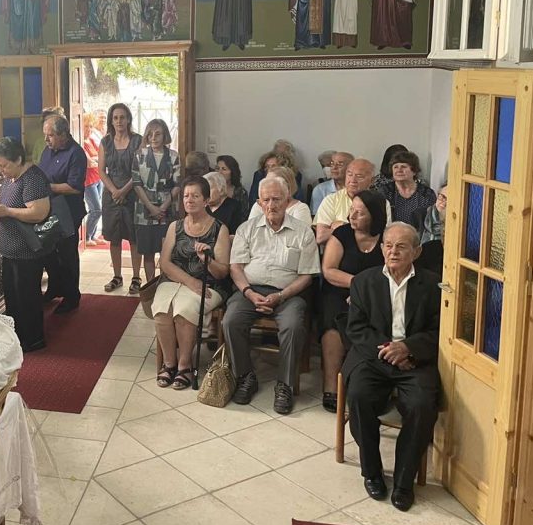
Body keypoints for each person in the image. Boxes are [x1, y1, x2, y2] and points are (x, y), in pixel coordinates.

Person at [345, 222, 441, 511]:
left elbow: (439, 331)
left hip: (414, 360)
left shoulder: (433, 285)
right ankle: (372, 472)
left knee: (422, 405)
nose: (393, 251)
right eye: (388, 245)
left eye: (401, 246)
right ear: (381, 248)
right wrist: (390, 350)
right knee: (359, 396)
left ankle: (403, 482)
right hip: (374, 356)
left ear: (417, 251)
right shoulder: (363, 282)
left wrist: (408, 349)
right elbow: (357, 329)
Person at [224, 175, 320, 414]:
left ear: (288, 200)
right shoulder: (246, 229)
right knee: (231, 321)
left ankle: (285, 384)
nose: (271, 205)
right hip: (250, 291)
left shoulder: (303, 232)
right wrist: (248, 293)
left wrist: (281, 296)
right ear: (259, 202)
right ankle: (245, 376)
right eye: (266, 200)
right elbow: (235, 268)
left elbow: (306, 276)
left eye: (276, 199)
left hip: (288, 294)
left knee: (293, 325)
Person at [154, 176, 231, 390]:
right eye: (186, 196)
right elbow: (165, 263)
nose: (189, 200)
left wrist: (207, 260)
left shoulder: (219, 229)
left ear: (206, 200)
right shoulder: (175, 226)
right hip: (176, 280)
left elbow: (223, 272)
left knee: (184, 310)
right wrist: (189, 281)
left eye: (195, 196)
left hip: (209, 285)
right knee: (161, 310)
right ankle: (169, 363)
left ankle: (185, 366)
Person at [320, 189, 388, 413]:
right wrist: (358, 285)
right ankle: (332, 387)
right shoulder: (342, 234)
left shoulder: (386, 238)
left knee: (380, 322)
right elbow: (329, 270)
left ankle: (376, 385)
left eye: (360, 212)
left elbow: (391, 274)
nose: (352, 216)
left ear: (374, 216)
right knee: (333, 323)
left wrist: (363, 292)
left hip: (376, 295)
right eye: (352, 210)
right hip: (339, 291)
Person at [0, 137, 51, 352]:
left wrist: (7, 212)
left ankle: (33, 340)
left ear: (19, 160)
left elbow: (39, 213)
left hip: (27, 253)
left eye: (4, 165)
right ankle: (17, 337)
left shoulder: (33, 178)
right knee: (13, 298)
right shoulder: (12, 176)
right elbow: (5, 193)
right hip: (10, 252)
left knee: (27, 298)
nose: (1, 170)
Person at [40, 115, 87, 314]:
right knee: (49, 252)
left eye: (50, 135)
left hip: (68, 211)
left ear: (63, 134)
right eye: (45, 134)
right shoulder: (47, 151)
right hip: (48, 210)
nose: (46, 139)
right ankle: (54, 287)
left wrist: (47, 187)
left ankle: (71, 296)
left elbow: (74, 187)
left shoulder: (76, 154)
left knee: (67, 255)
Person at [98, 103, 143, 294]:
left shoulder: (138, 140)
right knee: (114, 237)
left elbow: (140, 170)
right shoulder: (105, 142)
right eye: (115, 117)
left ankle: (136, 277)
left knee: (134, 237)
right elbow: (101, 170)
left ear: (128, 119)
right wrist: (114, 191)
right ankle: (117, 276)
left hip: (133, 193)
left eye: (122, 117)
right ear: (111, 120)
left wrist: (123, 191)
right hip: (111, 196)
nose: (119, 121)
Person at [132, 118, 180, 283]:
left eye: (158, 134)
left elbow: (178, 185)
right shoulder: (139, 155)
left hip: (168, 210)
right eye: (150, 134)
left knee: (166, 253)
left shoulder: (173, 156)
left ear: (165, 135)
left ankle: (164, 286)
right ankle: (151, 285)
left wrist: (163, 207)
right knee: (148, 252)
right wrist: (151, 207)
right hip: (144, 211)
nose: (153, 137)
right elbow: (137, 183)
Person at [315, 158, 390, 246]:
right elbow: (321, 237)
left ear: (372, 181)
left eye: (359, 176)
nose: (353, 180)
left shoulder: (381, 202)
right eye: (349, 174)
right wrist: (363, 228)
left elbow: (385, 235)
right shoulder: (331, 200)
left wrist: (342, 226)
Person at [378, 151, 436, 228]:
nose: (399, 170)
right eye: (395, 167)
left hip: (418, 234)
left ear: (414, 171)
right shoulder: (385, 191)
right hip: (391, 233)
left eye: (403, 166)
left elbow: (432, 221)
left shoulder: (426, 194)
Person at [248, 166, 313, 227]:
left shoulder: (301, 209)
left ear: (287, 186)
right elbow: (250, 231)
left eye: (272, 183)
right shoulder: (258, 206)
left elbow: (301, 234)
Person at [81, 111, 105, 245]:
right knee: (96, 209)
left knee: (95, 209)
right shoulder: (81, 143)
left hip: (97, 178)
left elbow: (102, 157)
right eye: (86, 126)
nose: (89, 129)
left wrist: (96, 159)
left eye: (91, 126)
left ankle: (92, 235)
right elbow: (89, 163)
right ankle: (87, 237)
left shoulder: (90, 140)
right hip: (88, 181)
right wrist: (96, 159)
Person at [310, 151, 354, 217]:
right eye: (332, 164)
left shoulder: (358, 188)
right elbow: (315, 217)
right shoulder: (320, 189)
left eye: (339, 164)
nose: (334, 168)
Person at [417, 185, 447, 275]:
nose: (444, 202)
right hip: (421, 267)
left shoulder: (458, 225)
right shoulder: (418, 215)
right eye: (442, 197)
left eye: (449, 199)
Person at [204, 171, 245, 237]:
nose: (205, 193)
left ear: (221, 189)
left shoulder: (234, 206)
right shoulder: (202, 206)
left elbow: (235, 235)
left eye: (209, 189)